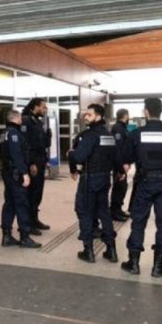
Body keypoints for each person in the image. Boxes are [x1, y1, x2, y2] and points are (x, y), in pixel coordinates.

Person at [120, 97, 162, 278]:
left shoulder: (136, 134)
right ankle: (158, 267)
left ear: (146, 112)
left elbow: (126, 157)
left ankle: (133, 264)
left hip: (144, 182)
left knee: (138, 221)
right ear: (161, 112)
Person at [68, 104, 123, 263]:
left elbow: (78, 157)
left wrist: (71, 154)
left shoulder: (89, 135)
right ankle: (111, 250)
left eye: (89, 115)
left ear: (98, 116)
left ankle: (88, 251)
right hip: (105, 179)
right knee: (104, 213)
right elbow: (116, 157)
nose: (86, 117)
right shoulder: (108, 135)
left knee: (85, 211)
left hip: (89, 179)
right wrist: (121, 171)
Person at [0, 110, 41, 248]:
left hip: (8, 173)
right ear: (16, 119)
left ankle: (6, 236)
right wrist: (24, 173)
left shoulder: (6, 133)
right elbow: (16, 154)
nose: (22, 121)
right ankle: (25, 236)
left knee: (9, 204)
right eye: (20, 118)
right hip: (16, 174)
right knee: (22, 203)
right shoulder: (13, 134)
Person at [21, 98, 51, 233]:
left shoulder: (37, 121)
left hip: (40, 160)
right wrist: (31, 163)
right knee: (31, 193)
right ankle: (28, 223)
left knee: (38, 192)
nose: (45, 109)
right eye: (43, 107)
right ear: (35, 107)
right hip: (33, 162)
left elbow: (42, 143)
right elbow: (26, 144)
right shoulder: (27, 121)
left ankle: (35, 219)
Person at [109, 109, 131, 221]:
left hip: (122, 163)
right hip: (119, 164)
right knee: (118, 187)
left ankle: (118, 209)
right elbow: (118, 148)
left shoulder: (122, 128)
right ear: (125, 115)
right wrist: (122, 164)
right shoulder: (118, 128)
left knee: (122, 187)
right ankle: (114, 211)